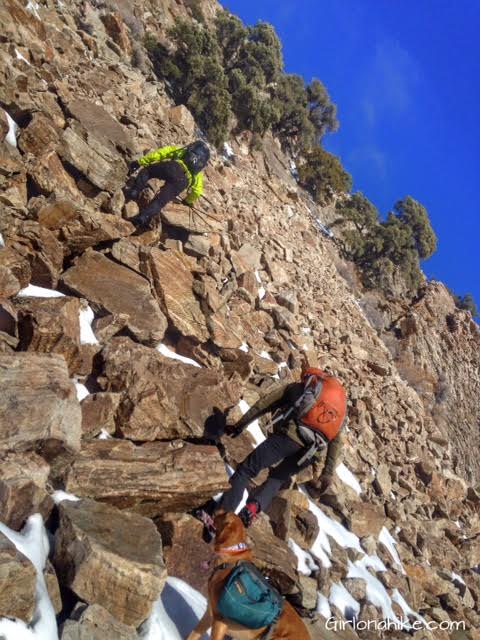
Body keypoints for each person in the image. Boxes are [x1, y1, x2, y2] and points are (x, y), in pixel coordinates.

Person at [195, 368, 347, 533]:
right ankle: (253, 508)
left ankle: (219, 518)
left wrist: (240, 425)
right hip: (310, 453)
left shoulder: (299, 389)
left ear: (310, 379)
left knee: (246, 470)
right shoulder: (339, 409)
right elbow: (337, 440)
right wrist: (328, 472)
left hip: (288, 438)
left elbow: (265, 404)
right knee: (277, 479)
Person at [125, 140, 210, 230]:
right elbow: (197, 192)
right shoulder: (199, 173)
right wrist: (187, 201)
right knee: (160, 201)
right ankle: (143, 217)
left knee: (147, 171)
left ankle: (135, 190)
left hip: (173, 167)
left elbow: (164, 152)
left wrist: (140, 162)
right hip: (182, 182)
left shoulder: (183, 151)